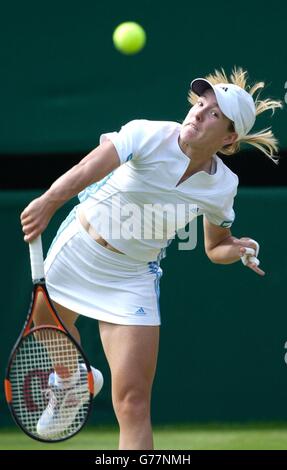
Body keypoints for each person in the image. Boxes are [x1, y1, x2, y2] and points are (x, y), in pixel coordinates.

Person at [20, 67, 282, 450]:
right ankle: (71, 382)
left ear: (229, 137)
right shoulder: (146, 133)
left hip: (132, 277)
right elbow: (84, 169)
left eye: (214, 113)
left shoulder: (223, 186)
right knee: (44, 326)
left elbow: (215, 246)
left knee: (133, 404)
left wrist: (239, 248)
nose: (198, 112)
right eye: (201, 103)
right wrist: (48, 202)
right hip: (78, 250)